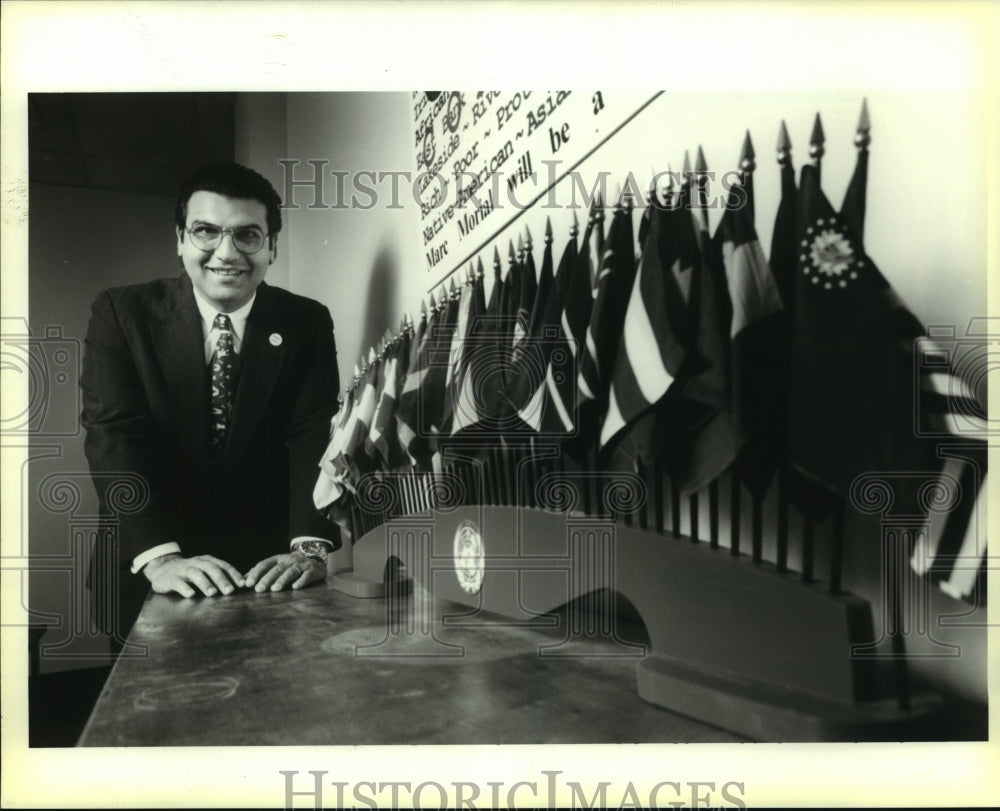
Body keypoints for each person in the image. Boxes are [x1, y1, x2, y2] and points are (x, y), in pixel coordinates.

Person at [80, 161, 340, 642]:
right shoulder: (120, 312)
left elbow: (312, 438)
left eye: (248, 236)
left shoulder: (307, 321)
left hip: (261, 578)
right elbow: (114, 437)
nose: (227, 253)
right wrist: (161, 558)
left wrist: (310, 548)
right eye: (206, 232)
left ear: (272, 247)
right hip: (149, 567)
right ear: (180, 240)